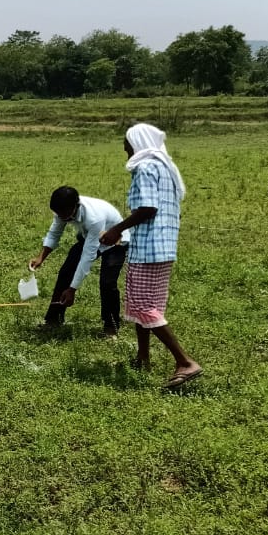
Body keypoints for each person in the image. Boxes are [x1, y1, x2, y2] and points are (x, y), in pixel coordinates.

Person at [99, 124, 202, 390]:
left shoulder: (145, 168)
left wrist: (116, 230)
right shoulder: (166, 169)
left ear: (138, 142)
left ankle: (184, 362)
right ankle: (142, 358)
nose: (124, 147)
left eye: (127, 142)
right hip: (164, 247)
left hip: (149, 248)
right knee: (142, 303)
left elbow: (147, 208)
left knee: (144, 307)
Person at [29, 186, 129, 336]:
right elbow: (55, 233)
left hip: (116, 241)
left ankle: (111, 327)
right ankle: (53, 319)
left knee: (107, 283)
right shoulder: (63, 210)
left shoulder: (93, 217)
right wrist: (41, 257)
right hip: (91, 236)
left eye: (64, 213)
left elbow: (87, 256)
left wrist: (72, 289)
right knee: (66, 272)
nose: (61, 216)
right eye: (58, 213)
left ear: (76, 206)